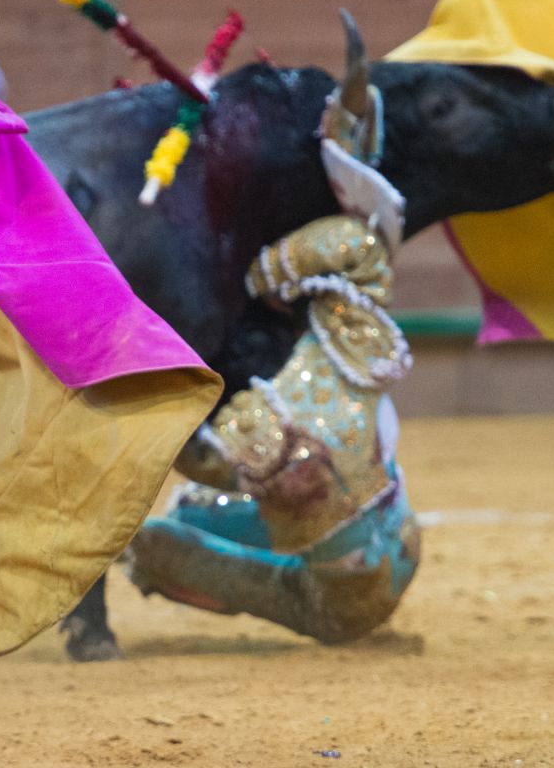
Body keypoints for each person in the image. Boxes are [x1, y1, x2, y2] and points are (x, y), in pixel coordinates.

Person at [127, 83, 422, 642]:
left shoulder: (261, 420)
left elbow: (200, 456)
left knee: (167, 536)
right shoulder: (354, 326)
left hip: (346, 596)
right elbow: (345, 251)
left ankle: (184, 563)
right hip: (403, 544)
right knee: (198, 506)